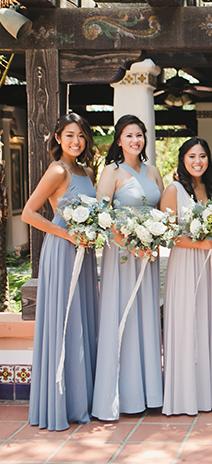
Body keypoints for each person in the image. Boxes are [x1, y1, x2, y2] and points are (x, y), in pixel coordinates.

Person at [23, 113, 99, 431]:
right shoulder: (58, 169)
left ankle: (81, 399)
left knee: (81, 320)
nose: (76, 141)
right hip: (63, 250)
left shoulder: (87, 170)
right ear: (58, 138)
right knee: (64, 322)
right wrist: (68, 234)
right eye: (69, 135)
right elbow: (29, 213)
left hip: (85, 252)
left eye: (81, 136)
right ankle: (59, 404)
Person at [92, 114, 165, 421]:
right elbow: (101, 214)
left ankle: (148, 393)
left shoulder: (153, 170)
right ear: (118, 140)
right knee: (121, 313)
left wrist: (155, 237)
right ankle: (120, 394)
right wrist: (129, 240)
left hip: (148, 255)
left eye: (140, 135)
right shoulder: (111, 171)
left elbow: (163, 212)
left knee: (146, 315)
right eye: (129, 135)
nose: (136, 140)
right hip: (121, 254)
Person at [161, 137, 212, 415]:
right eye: (191, 156)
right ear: (182, 160)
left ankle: (210, 393)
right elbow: (167, 233)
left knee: (210, 320)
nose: (197, 161)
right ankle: (185, 395)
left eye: (202, 156)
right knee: (187, 322)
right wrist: (198, 243)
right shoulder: (174, 189)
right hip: (186, 263)